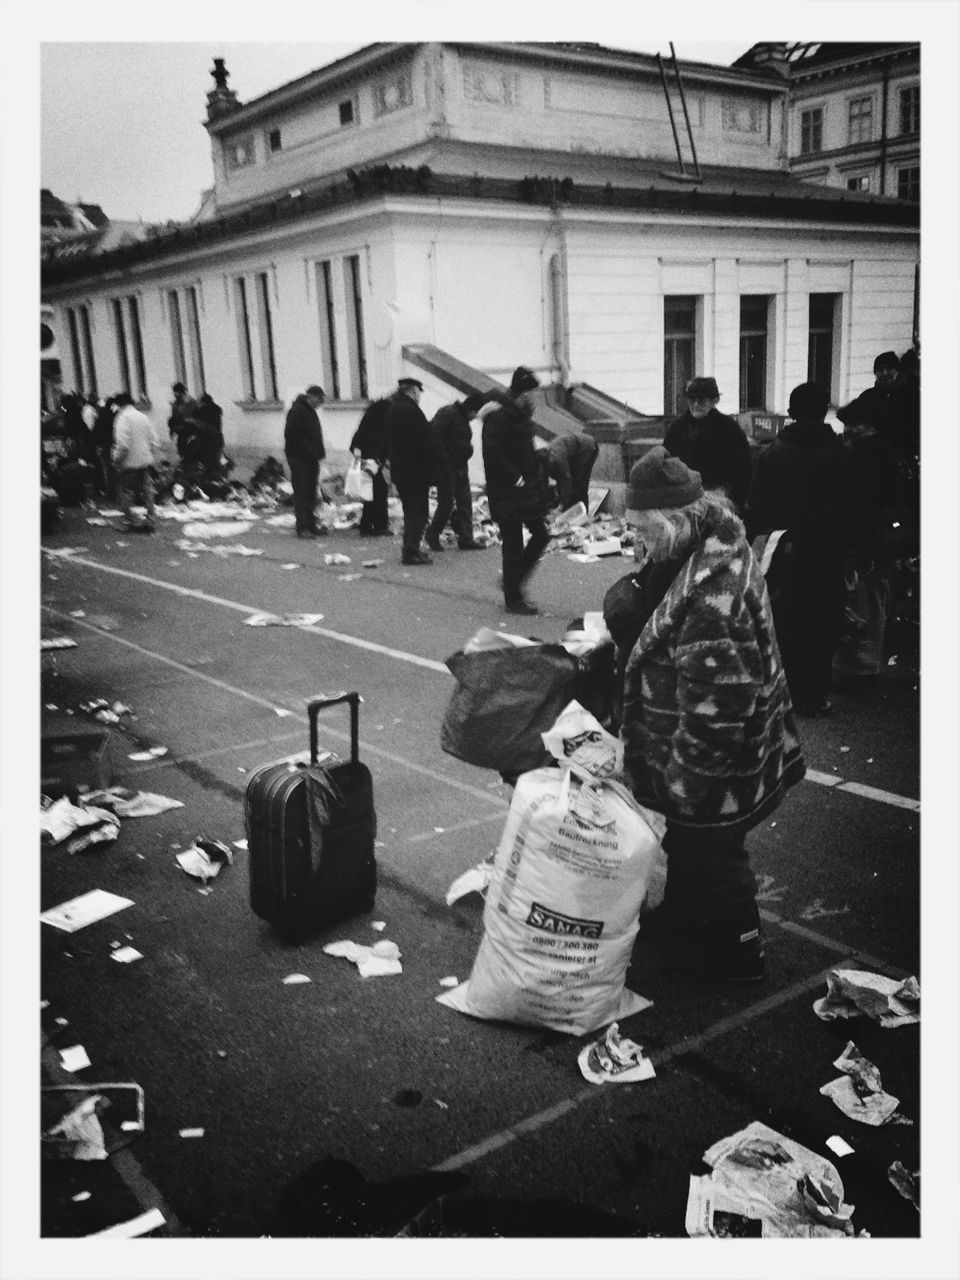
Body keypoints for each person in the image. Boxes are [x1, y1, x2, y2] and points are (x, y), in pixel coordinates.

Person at [618, 446, 805, 981]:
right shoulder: (707, 547)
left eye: (645, 532)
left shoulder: (712, 595)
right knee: (689, 841)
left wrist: (683, 781)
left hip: (719, 759)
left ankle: (740, 952)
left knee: (717, 852)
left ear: (674, 523)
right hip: (709, 745)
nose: (638, 543)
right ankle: (683, 916)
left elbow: (718, 709)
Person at [745, 382, 856, 716]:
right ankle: (816, 691)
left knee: (787, 620)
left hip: (786, 549)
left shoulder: (773, 453)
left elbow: (757, 506)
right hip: (829, 549)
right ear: (824, 411)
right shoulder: (842, 452)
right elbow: (855, 508)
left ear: (791, 413)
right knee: (824, 620)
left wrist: (750, 540)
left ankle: (789, 690)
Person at [481, 366, 550, 615]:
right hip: (509, 489)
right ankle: (513, 598)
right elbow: (492, 452)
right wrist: (515, 476)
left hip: (524, 489)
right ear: (523, 392)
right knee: (513, 544)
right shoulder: (500, 416)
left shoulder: (520, 415)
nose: (535, 398)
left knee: (541, 535)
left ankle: (513, 580)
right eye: (533, 393)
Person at [662, 376, 753, 515]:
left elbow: (743, 471)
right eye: (692, 399)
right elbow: (666, 462)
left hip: (719, 500)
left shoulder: (729, 429)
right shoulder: (677, 428)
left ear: (714, 401)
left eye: (702, 400)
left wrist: (736, 504)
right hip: (683, 499)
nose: (696, 404)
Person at [385, 377, 441, 565]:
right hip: (414, 471)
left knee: (411, 511)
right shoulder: (409, 410)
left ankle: (411, 549)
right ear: (413, 390)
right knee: (418, 512)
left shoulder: (395, 407)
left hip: (403, 470)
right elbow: (421, 441)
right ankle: (411, 551)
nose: (419, 396)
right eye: (418, 391)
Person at [425, 393, 486, 551]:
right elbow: (435, 437)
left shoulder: (462, 418)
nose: (475, 417)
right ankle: (432, 533)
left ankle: (466, 538)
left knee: (465, 503)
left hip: (460, 467)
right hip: (447, 467)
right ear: (471, 409)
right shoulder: (449, 413)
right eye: (476, 412)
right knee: (446, 503)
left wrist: (468, 450)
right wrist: (444, 462)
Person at [836, 351, 919, 465]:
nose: (884, 373)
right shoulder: (867, 396)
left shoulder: (913, 395)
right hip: (873, 457)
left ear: (898, 371)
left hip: (906, 456)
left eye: (889, 368)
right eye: (880, 370)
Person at [283, 384, 328, 538]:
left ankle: (311, 524)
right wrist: (310, 451)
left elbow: (313, 435)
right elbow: (293, 436)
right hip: (299, 458)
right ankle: (302, 527)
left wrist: (318, 452)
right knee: (302, 492)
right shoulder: (297, 411)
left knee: (311, 492)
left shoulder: (309, 411)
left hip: (310, 458)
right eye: (319, 399)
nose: (320, 403)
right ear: (311, 397)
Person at [111, 392, 159, 532]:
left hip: (129, 462)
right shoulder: (143, 417)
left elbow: (123, 445)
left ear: (119, 404)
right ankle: (151, 518)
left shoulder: (122, 418)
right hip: (144, 460)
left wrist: (116, 461)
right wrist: (149, 454)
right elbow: (154, 440)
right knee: (147, 491)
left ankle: (129, 520)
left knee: (127, 492)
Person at [350, 397, 391, 536]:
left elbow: (357, 442)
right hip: (370, 463)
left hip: (371, 462)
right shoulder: (379, 425)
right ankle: (377, 525)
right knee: (377, 494)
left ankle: (369, 526)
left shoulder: (369, 424)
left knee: (371, 495)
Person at [546, 430, 600, 512]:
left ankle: (582, 513)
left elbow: (566, 480)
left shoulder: (557, 459)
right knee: (568, 484)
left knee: (580, 483)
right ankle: (568, 510)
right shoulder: (545, 461)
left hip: (588, 447)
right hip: (573, 450)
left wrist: (561, 505)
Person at [168, 382, 203, 459]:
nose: (174, 395)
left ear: (182, 392)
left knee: (192, 453)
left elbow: (198, 418)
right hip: (181, 433)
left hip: (191, 432)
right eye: (174, 393)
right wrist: (172, 430)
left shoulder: (192, 402)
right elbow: (174, 417)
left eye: (176, 393)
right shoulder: (175, 404)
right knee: (182, 452)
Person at [92, 395, 118, 498]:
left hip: (102, 444)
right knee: (111, 468)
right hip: (110, 443)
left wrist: (98, 444)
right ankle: (112, 491)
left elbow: (96, 430)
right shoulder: (111, 415)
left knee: (106, 468)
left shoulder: (101, 414)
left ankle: (109, 491)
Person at [196, 392, 225, 476]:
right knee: (218, 457)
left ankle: (213, 475)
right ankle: (221, 473)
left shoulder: (204, 411)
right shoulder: (216, 409)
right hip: (217, 438)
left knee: (210, 459)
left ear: (203, 403)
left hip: (208, 439)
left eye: (199, 402)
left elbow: (201, 423)